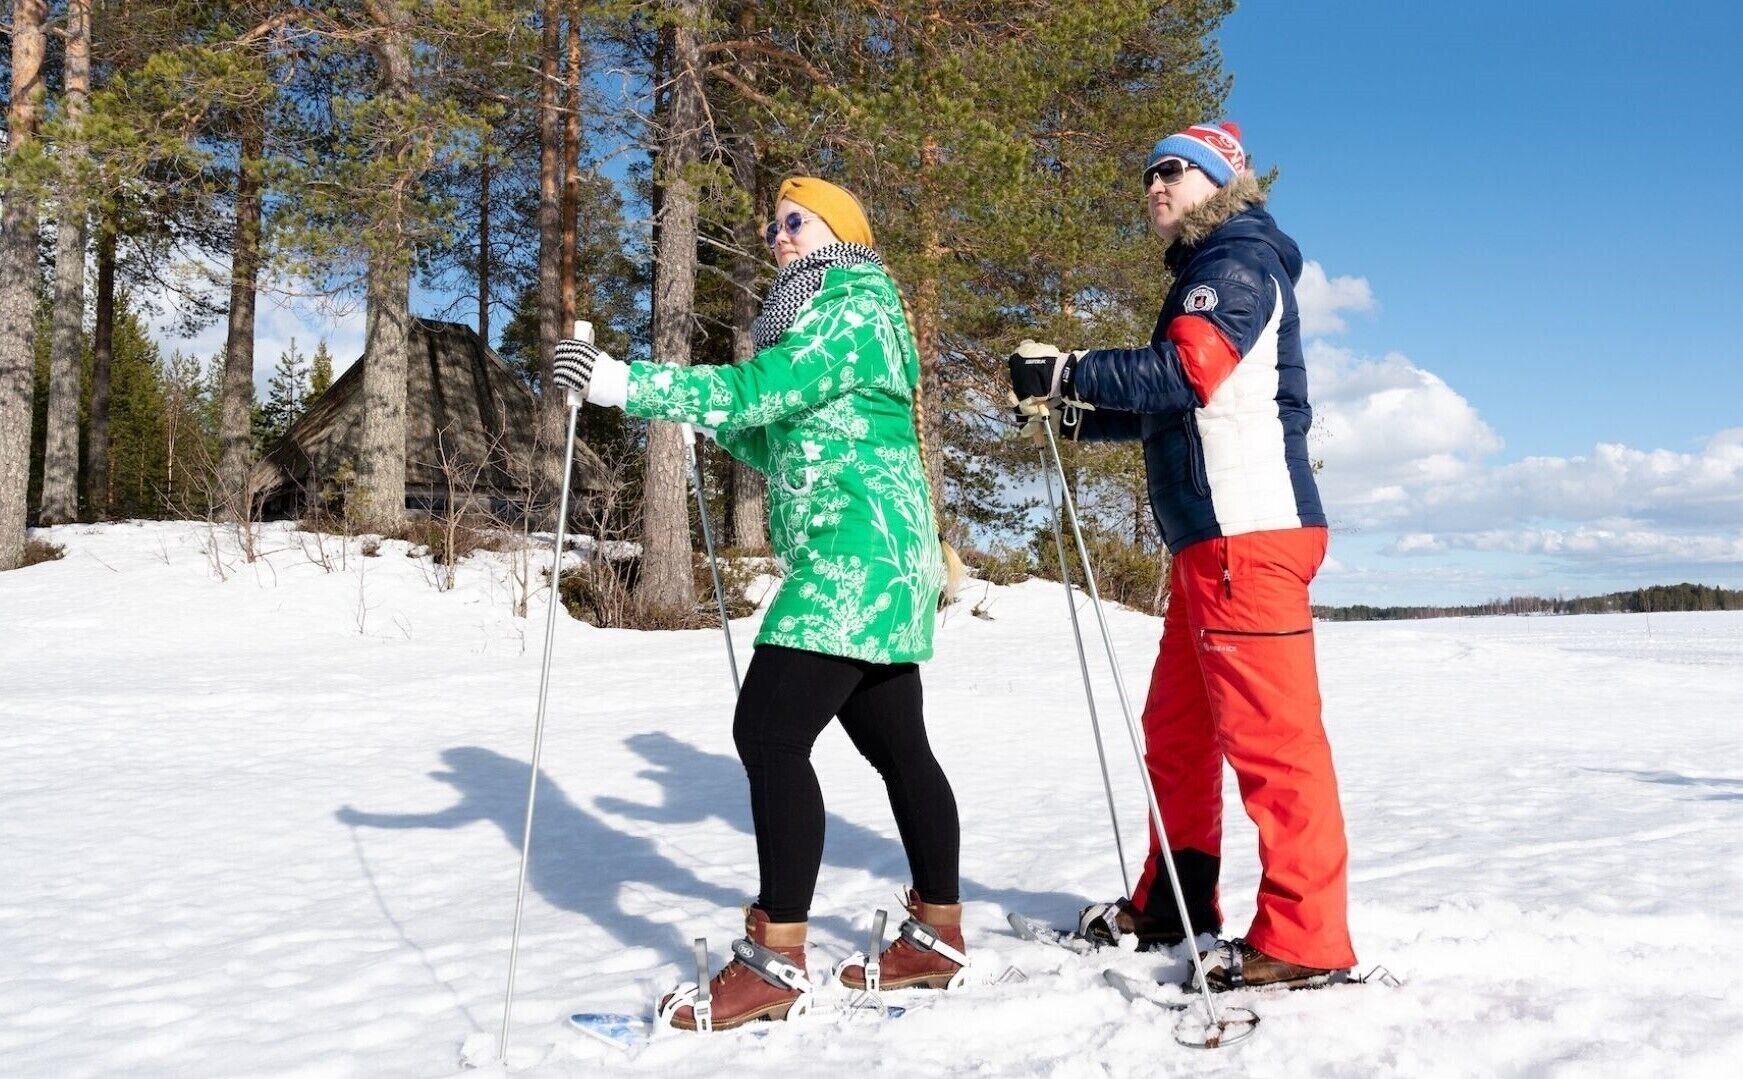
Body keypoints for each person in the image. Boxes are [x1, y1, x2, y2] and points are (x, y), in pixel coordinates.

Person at [551, 176, 967, 1029]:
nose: (776, 236)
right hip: (872, 555)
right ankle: (936, 935)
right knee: (896, 745)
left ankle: (777, 962)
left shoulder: (854, 301)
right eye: (772, 225)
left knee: (769, 733)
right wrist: (649, 397)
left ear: (840, 233)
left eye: (794, 222)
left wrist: (627, 384)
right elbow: (761, 427)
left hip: (857, 555)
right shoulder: (823, 313)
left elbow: (756, 392)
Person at [1007, 122, 1357, 990]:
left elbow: (1186, 371)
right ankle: (1174, 900)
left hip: (1250, 535)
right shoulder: (1206, 268)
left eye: (1173, 170)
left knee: (1273, 744)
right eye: (1148, 173)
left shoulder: (1236, 262)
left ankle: (1306, 937)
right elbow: (1174, 406)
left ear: (1218, 180)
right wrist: (1075, 409)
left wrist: (1072, 373)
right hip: (1208, 548)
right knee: (1177, 729)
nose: (1154, 184)